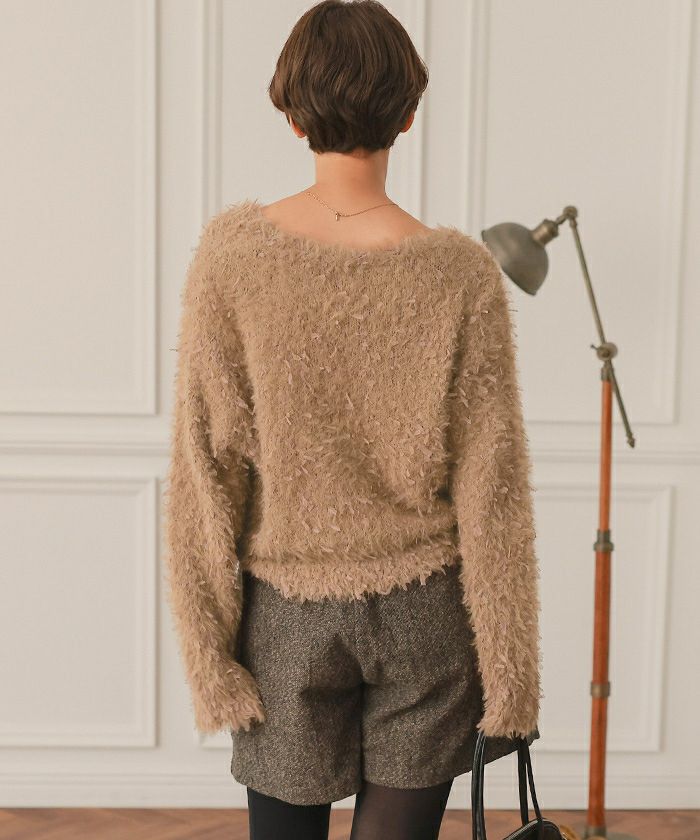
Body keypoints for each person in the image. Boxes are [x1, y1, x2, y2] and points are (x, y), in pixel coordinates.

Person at [163, 1, 543, 838]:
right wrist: (512, 673)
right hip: (427, 618)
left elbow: (206, 465)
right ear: (408, 114)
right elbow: (493, 486)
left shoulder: (233, 255)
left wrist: (208, 651)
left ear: (292, 114)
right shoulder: (461, 274)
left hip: (287, 616)